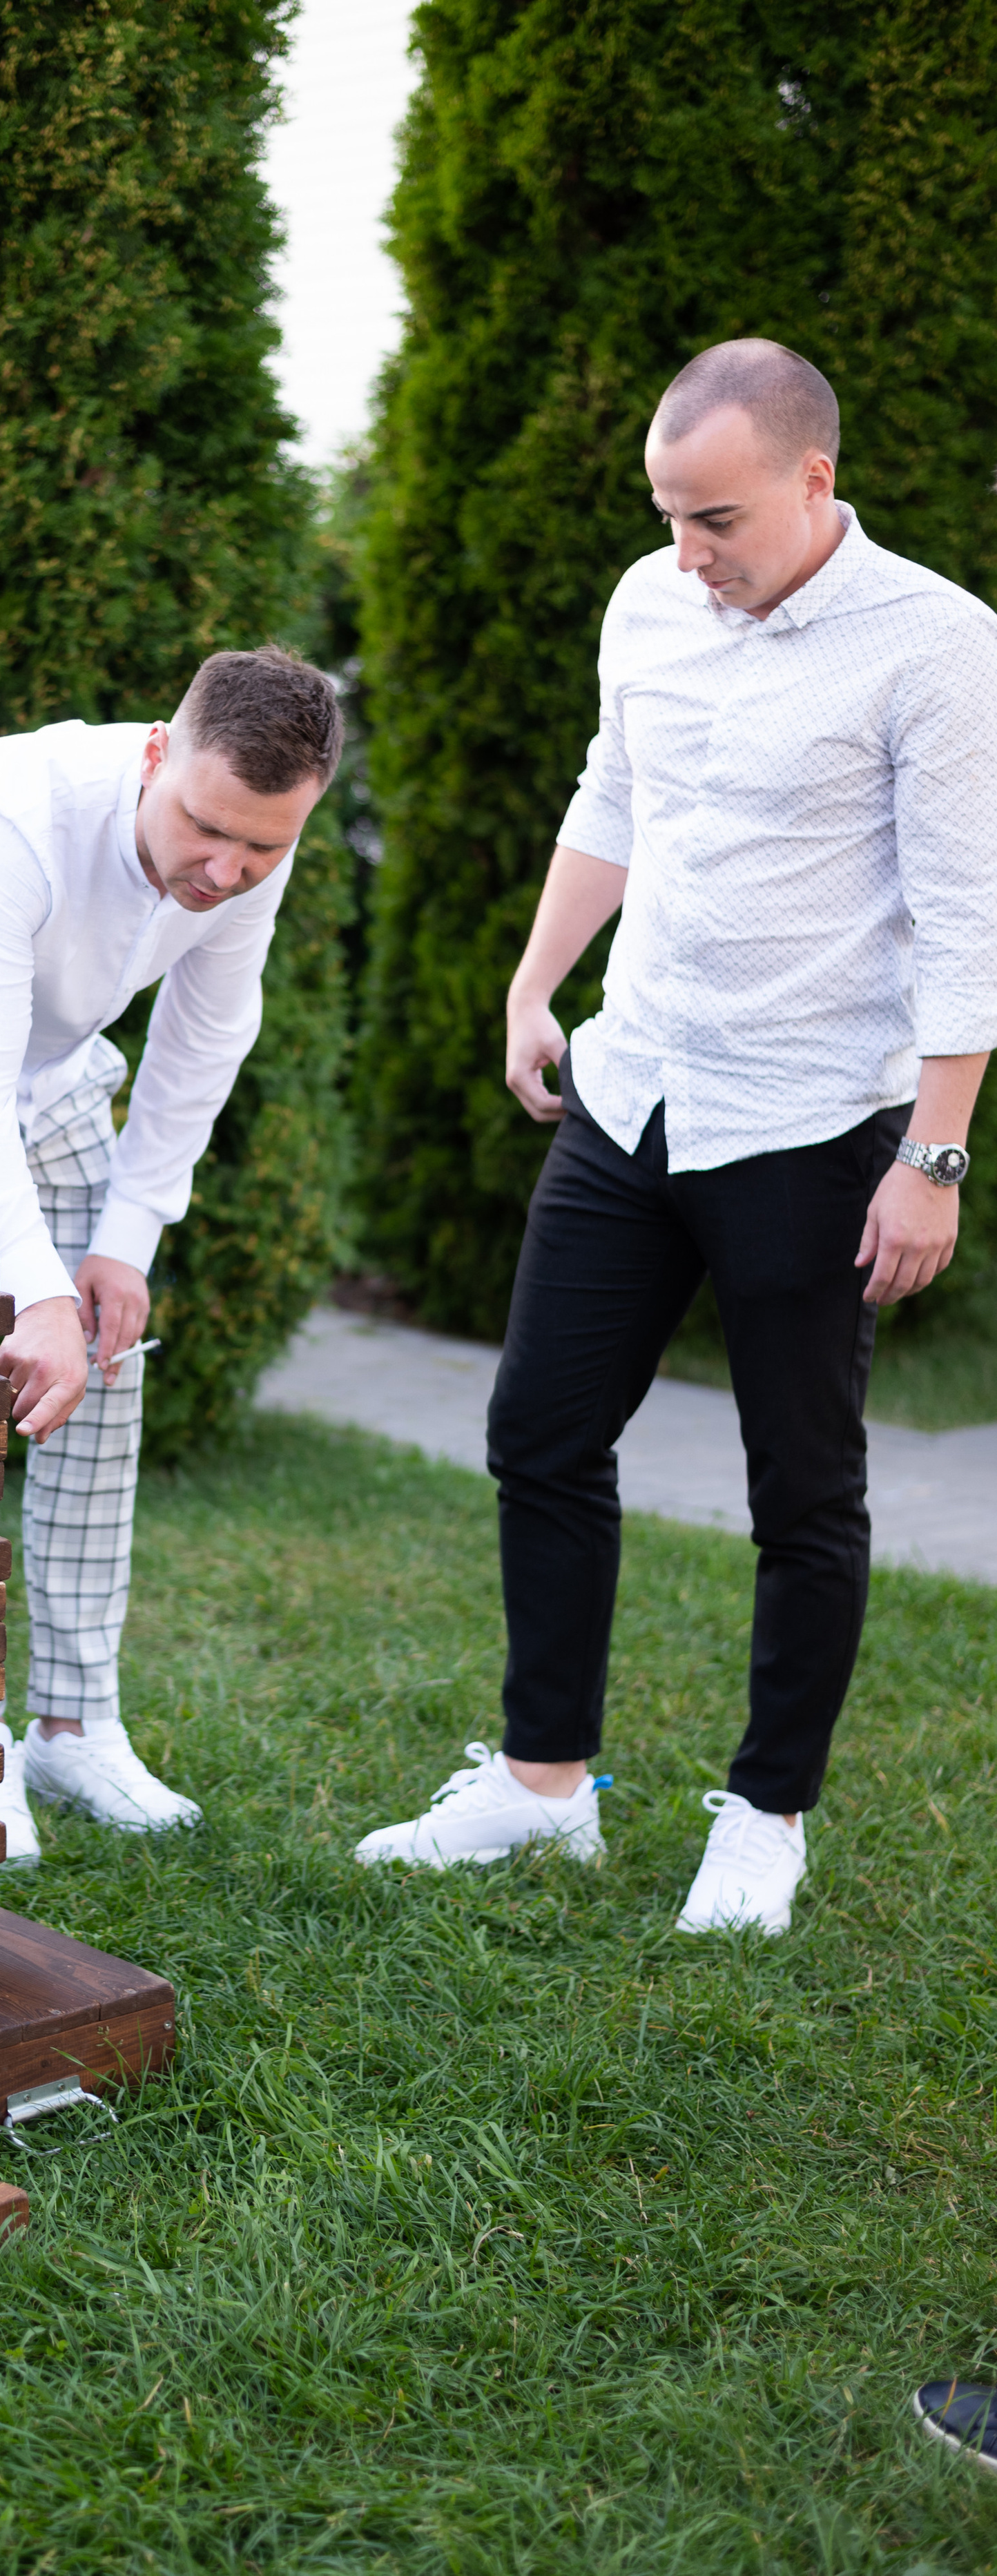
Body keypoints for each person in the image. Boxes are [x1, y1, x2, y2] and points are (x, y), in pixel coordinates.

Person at [356, 338, 997, 1933]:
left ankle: (764, 1816)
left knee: (802, 1486)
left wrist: (932, 1154)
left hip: (806, 1124)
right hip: (628, 1091)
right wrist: (531, 981)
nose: (685, 555)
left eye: (713, 520)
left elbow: (969, 912)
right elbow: (612, 794)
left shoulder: (936, 646)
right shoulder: (652, 601)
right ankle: (539, 1785)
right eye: (665, 516)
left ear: (812, 481)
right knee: (539, 1429)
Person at [0, 646, 342, 1857]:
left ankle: (75, 1725)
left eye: (263, 848)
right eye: (205, 829)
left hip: (42, 1071)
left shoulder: (247, 851)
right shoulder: (13, 815)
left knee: (106, 1359)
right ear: (156, 753)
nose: (227, 870)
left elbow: (205, 1044)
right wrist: (34, 1290)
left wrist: (123, 1246)